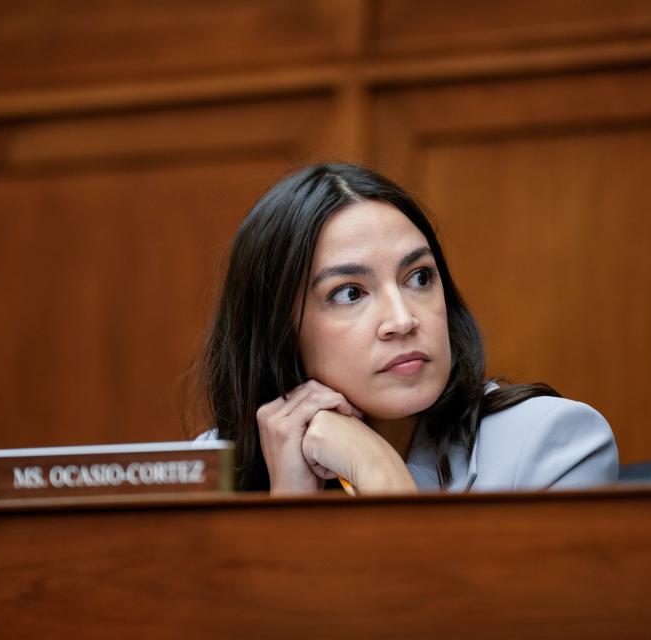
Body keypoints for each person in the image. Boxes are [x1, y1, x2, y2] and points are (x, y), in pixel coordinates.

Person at [195, 163, 617, 495]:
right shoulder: (209, 469)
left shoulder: (550, 444)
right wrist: (290, 504)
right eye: (349, 293)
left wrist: (378, 470)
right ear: (278, 329)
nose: (402, 320)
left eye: (418, 278)